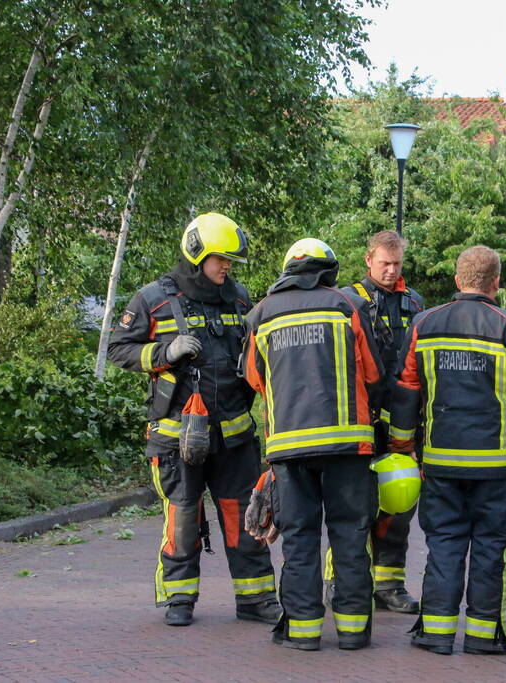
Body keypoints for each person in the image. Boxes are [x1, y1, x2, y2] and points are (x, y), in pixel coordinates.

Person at [107, 212, 279, 628]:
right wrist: (163, 353)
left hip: (234, 436)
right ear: (198, 253)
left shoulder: (239, 300)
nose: (227, 268)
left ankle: (255, 598)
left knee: (244, 515)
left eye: (230, 262)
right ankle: (179, 599)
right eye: (221, 259)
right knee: (184, 517)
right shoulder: (153, 299)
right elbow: (117, 349)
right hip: (175, 437)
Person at [388, 245, 506, 656]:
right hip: (497, 469)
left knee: (443, 544)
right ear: (496, 283)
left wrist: (401, 446)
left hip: (440, 463)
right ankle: (485, 636)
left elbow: (406, 392)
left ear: (458, 280)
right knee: (491, 550)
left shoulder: (424, 325)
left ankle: (436, 633)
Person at [242, 238, 384, 651]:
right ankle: (354, 632)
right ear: (329, 270)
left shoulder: (261, 314)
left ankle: (302, 633)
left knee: (300, 537)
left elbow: (252, 377)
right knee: (350, 537)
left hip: (289, 448)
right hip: (348, 447)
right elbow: (374, 374)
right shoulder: (347, 306)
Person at [324, 230, 424, 613]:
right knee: (354, 506)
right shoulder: (348, 301)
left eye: (397, 264)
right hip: (362, 420)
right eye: (384, 263)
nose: (390, 270)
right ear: (368, 260)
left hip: (402, 419)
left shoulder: (413, 302)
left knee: (399, 503)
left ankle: (389, 585)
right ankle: (341, 581)